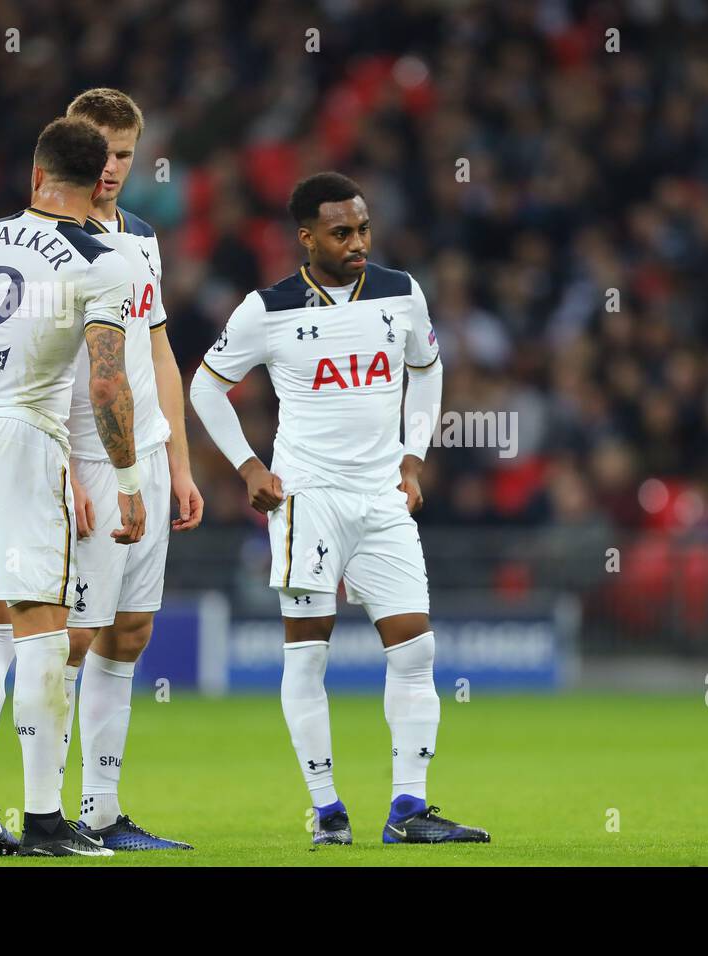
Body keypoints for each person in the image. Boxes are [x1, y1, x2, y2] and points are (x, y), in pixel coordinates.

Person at [189, 172, 489, 846]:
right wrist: (247, 466)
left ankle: (409, 810)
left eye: (363, 228)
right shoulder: (266, 310)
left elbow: (428, 368)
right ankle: (328, 812)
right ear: (306, 238)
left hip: (383, 497)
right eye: (341, 232)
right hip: (308, 501)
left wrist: (414, 453)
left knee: (415, 650)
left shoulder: (401, 292)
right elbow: (206, 387)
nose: (358, 242)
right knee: (308, 659)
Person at [0, 117, 146, 857]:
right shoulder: (106, 259)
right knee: (45, 634)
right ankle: (47, 822)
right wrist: (130, 481)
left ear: (36, 174)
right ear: (98, 178)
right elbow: (108, 380)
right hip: (21, 440)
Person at [60, 87, 201, 851]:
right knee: (73, 639)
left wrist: (178, 465)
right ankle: (43, 811)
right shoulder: (52, 241)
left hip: (144, 458)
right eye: (100, 152)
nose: (110, 168)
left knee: (129, 631)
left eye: (123, 154)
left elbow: (159, 355)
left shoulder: (142, 236)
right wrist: (60, 467)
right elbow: (43, 371)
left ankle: (102, 810)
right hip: (84, 458)